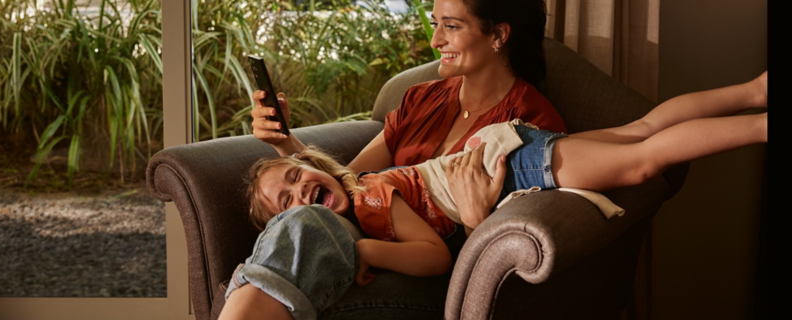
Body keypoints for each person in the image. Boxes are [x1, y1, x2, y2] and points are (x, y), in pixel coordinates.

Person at [220, 0, 567, 320]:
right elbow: (349, 179)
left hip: (439, 272)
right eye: (435, 24)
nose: (435, 41)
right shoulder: (422, 99)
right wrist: (283, 143)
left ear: (498, 35)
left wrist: (473, 220)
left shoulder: (528, 124)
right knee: (302, 222)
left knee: (303, 231)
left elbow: (508, 245)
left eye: (450, 26)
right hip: (370, 246)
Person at [248, 71, 767, 284]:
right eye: (286, 201)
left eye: (298, 176)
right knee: (642, 129)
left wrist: (363, 254)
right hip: (502, 145)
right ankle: (755, 91)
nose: (301, 192)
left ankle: (762, 123)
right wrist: (286, 148)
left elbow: (431, 255)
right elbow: (323, 180)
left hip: (507, 162)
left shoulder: (368, 203)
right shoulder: (359, 194)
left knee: (644, 157)